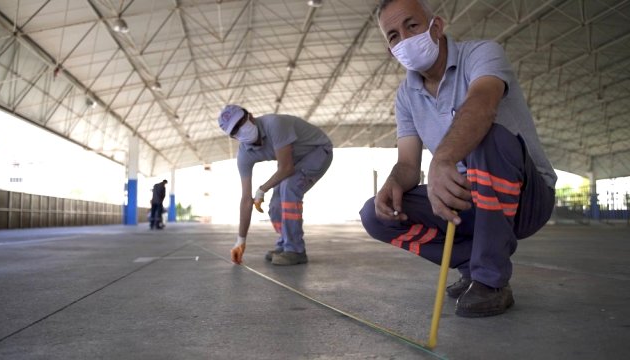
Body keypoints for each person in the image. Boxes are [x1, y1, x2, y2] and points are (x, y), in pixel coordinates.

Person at [359, 0, 557, 317]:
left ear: (436, 27)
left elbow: (482, 104)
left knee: (487, 135)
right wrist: (394, 182)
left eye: (412, 25)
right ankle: (472, 264)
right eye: (394, 36)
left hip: (524, 198)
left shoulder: (481, 54)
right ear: (391, 51)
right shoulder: (406, 95)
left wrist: (443, 160)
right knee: (376, 214)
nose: (405, 39)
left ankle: (491, 279)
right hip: (468, 199)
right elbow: (409, 164)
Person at [218, 104, 333, 266]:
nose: (240, 130)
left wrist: (262, 189)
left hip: (318, 150)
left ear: (250, 116)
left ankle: (295, 250)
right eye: (235, 130)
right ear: (233, 137)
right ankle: (285, 243)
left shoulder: (274, 124)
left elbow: (286, 168)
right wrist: (240, 241)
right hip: (295, 161)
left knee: (289, 188)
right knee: (275, 205)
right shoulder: (244, 154)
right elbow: (246, 199)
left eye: (240, 123)